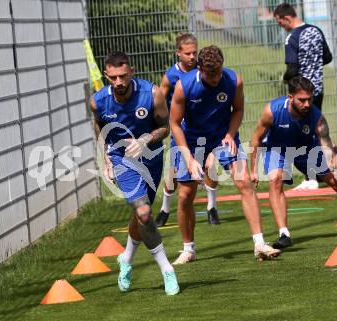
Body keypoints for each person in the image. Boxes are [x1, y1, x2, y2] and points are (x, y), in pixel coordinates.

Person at [170, 45, 281, 264]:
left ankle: (259, 244)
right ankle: (188, 249)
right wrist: (189, 159)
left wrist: (231, 134)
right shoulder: (184, 87)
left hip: (223, 137)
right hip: (191, 141)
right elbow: (174, 124)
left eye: (219, 72)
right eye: (211, 74)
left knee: (245, 183)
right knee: (185, 196)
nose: (216, 78)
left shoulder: (233, 81)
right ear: (200, 69)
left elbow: (238, 109)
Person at [90, 51, 179, 295]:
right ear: (107, 75)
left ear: (131, 71)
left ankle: (126, 259)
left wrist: (146, 138)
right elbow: (99, 128)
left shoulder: (151, 94)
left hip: (151, 158)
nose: (119, 82)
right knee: (143, 212)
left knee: (142, 217)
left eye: (122, 76)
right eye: (113, 78)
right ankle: (167, 270)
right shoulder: (98, 101)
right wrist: (106, 160)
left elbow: (165, 127)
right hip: (121, 160)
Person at [250, 76, 337, 249]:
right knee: (275, 179)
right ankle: (284, 234)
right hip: (277, 148)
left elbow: (331, 157)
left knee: (336, 182)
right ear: (290, 97)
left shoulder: (317, 118)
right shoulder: (272, 111)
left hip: (306, 148)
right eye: (302, 100)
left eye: (309, 99)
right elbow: (256, 139)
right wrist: (253, 170)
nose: (306, 104)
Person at [274, 3, 337, 190]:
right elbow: (327, 57)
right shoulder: (315, 31)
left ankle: (311, 177)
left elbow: (293, 67)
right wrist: (313, 62)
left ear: (286, 18)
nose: (282, 27)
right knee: (316, 130)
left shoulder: (292, 38)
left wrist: (285, 78)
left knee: (303, 134)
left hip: (301, 93)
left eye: (280, 23)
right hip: (317, 90)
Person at [155, 33, 221, 227]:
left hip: (206, 129)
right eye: (188, 53)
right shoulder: (171, 76)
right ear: (178, 53)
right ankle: (165, 209)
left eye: (195, 52)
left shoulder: (205, 72)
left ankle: (212, 208)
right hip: (181, 130)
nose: (192, 57)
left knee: (211, 166)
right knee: (173, 171)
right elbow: (159, 100)